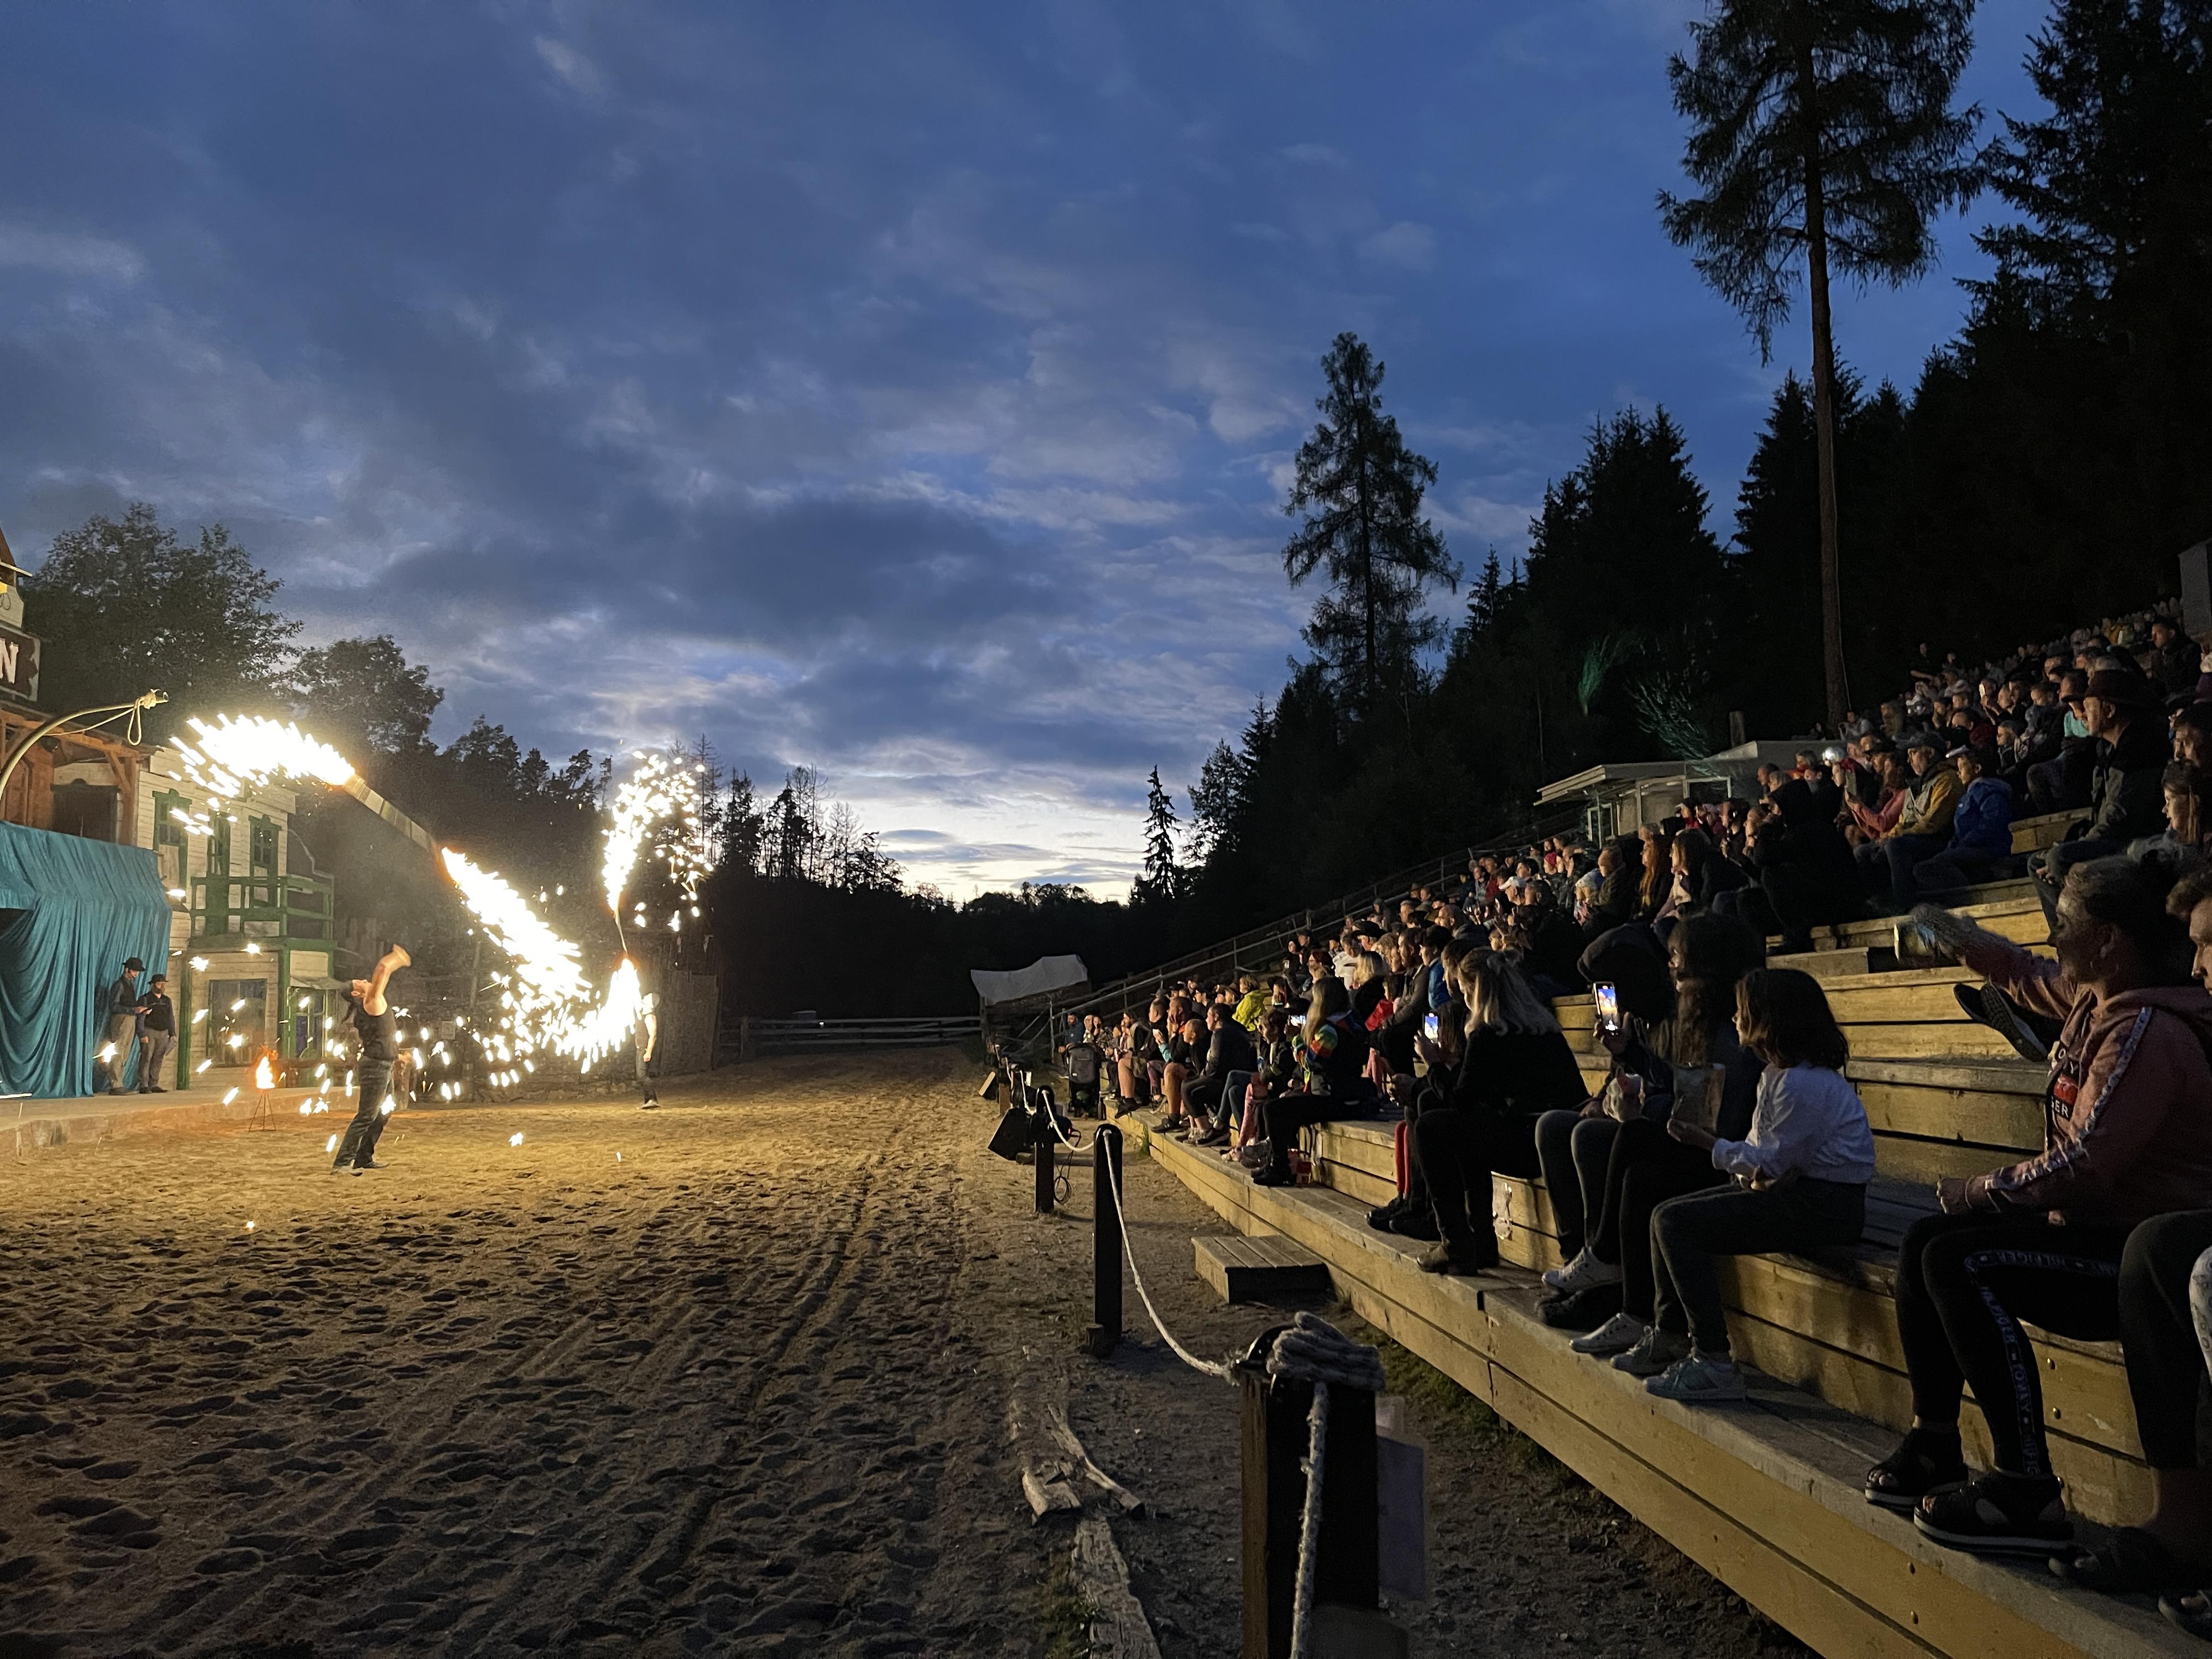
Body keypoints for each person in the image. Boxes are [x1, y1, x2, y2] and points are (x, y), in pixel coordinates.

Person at [1863, 849, 2212, 1556]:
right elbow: (2026, 974)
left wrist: (1980, 1189)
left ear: (2108, 940)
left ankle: (2025, 1488)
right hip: (2091, 1233)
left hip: (2136, 1260)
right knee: (1925, 1240)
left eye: (2066, 923)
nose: (2054, 936)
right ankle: (1935, 1441)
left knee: (1961, 1261)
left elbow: (2086, 1165)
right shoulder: (2096, 998)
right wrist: (1961, 938)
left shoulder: (2145, 1033)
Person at [1619, 969, 1874, 1402]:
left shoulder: (1804, 1084)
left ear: (1768, 1020)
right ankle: (1672, 1333)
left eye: (1743, 1011)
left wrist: (1706, 1143)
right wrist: (1749, 1170)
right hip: (1798, 1192)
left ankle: (1714, 1359)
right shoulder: (1779, 1075)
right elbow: (1763, 1158)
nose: (1735, 1018)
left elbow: (1769, 1162)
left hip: (1827, 1206)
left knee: (1676, 1224)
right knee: (1666, 1213)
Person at [1407, 953, 1588, 1274]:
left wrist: (1433, 1063)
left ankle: (1457, 1242)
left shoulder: (1488, 1033)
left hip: (1526, 1143)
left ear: (1475, 992)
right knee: (1462, 1125)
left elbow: (1461, 1100)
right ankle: (1478, 1242)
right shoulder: (1545, 1030)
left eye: (1465, 992)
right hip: (1551, 1138)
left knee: (1431, 1128)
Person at [2032, 669, 2169, 930]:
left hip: (2136, 843)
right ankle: (2068, 933)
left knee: (2059, 858)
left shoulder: (2138, 749)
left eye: (2088, 706)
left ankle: (2085, 932)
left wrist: (2083, 845)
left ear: (2109, 710)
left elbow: (2120, 818)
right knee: (2038, 862)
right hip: (2113, 837)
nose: (2083, 714)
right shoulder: (2110, 749)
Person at [333, 944, 411, 1172]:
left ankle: (364, 1157)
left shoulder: (372, 1004)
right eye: (358, 982)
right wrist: (397, 958)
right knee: (367, 1115)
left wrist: (397, 1055)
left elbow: (381, 1038)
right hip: (375, 1068)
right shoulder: (371, 1001)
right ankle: (342, 1162)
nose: (363, 980)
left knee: (384, 1112)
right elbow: (382, 969)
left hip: (382, 1066)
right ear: (356, 994)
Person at [1911, 745, 2016, 895]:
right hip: (1966, 848)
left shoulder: (1990, 791)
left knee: (1932, 866)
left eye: (1961, 768)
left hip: (1987, 850)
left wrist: (1966, 842)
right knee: (1923, 868)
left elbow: (1992, 824)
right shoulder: (1966, 796)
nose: (1958, 773)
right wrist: (1953, 847)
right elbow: (1959, 831)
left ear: (1977, 768)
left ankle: (1966, 894)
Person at [92, 956, 145, 1095]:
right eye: (135, 971)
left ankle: (119, 1082)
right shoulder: (119, 985)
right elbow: (114, 1006)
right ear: (127, 969)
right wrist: (133, 1010)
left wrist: (137, 1011)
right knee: (119, 1050)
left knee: (124, 1052)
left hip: (130, 1019)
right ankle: (115, 1084)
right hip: (121, 1019)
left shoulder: (130, 985)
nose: (136, 974)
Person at [135, 973, 175, 1094]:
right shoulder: (145, 999)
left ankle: (154, 1084)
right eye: (159, 984)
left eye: (163, 984)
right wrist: (142, 1034)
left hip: (163, 1032)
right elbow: (140, 1017)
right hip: (149, 1031)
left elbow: (171, 1017)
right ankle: (144, 1085)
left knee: (158, 1058)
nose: (162, 986)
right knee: (146, 1057)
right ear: (152, 985)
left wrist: (172, 1033)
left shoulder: (167, 1000)